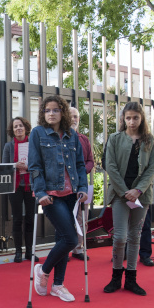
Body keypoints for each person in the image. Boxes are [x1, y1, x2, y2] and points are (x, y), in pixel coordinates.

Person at [29, 95, 88, 302]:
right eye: (47, 110)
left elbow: (80, 164)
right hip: (51, 196)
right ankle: (43, 271)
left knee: (62, 238)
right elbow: (34, 166)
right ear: (43, 113)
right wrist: (41, 192)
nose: (51, 114)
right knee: (71, 239)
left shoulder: (72, 135)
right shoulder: (37, 133)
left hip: (71, 194)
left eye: (55, 110)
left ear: (63, 112)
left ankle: (58, 284)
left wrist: (82, 187)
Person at [103, 102, 154, 296]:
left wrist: (138, 190)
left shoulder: (149, 140)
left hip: (141, 195)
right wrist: (126, 191)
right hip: (119, 194)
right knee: (120, 237)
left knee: (135, 237)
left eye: (135, 117)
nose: (132, 121)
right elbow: (110, 166)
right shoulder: (115, 139)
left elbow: (151, 169)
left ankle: (131, 279)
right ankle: (116, 276)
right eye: (128, 118)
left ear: (141, 118)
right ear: (123, 119)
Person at [2, 116, 38, 263]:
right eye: (15, 126)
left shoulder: (33, 144)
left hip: (31, 187)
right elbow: (4, 167)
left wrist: (28, 167)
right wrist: (14, 165)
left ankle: (29, 252)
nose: (18, 128)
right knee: (17, 219)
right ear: (12, 130)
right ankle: (18, 252)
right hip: (15, 187)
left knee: (30, 219)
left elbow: (39, 164)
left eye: (21, 126)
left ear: (26, 127)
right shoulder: (8, 147)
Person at [68, 106, 95, 262]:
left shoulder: (84, 139)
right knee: (65, 219)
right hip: (65, 186)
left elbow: (91, 161)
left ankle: (78, 249)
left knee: (81, 219)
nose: (74, 119)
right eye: (71, 116)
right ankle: (64, 250)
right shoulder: (60, 138)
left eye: (76, 116)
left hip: (82, 186)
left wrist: (81, 171)